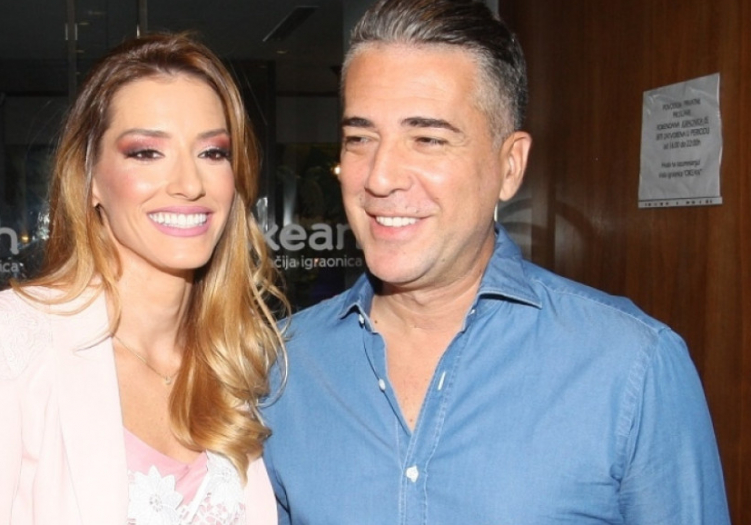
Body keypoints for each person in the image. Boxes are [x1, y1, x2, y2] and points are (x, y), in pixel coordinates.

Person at [261, 0, 731, 523]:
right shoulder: (282, 366)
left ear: (510, 166)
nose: (380, 176)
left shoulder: (632, 367)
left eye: (428, 139)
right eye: (359, 138)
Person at [0, 32, 286, 525]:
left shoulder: (241, 355)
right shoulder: (4, 339)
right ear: (90, 179)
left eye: (213, 152)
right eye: (146, 152)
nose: (190, 184)